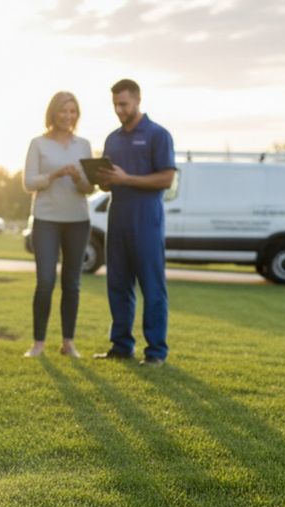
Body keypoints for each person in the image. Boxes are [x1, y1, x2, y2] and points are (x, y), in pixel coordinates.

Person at [93, 79, 176, 366]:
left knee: (152, 288)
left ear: (138, 101)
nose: (119, 109)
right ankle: (121, 346)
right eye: (115, 104)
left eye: (124, 104)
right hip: (117, 220)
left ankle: (155, 353)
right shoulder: (112, 139)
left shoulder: (158, 135)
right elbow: (109, 184)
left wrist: (127, 179)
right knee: (117, 285)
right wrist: (103, 179)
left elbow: (167, 178)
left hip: (147, 222)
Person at [22, 91, 95, 358]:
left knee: (72, 283)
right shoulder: (38, 143)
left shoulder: (84, 145)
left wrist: (77, 178)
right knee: (45, 281)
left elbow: (89, 188)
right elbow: (28, 183)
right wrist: (54, 174)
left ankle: (68, 343)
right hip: (46, 219)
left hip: (77, 220)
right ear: (53, 113)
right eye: (63, 111)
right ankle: (38, 344)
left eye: (73, 111)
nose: (68, 116)